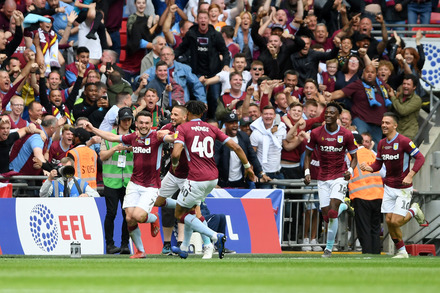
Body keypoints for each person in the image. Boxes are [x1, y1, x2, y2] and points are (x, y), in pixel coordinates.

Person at [170, 101, 255, 259]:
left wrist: (174, 165)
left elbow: (175, 154)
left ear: (187, 113)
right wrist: (247, 166)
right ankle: (185, 247)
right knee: (192, 210)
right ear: (202, 114)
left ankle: (215, 237)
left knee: (179, 213)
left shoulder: (183, 128)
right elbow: (236, 147)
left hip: (196, 178)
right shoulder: (212, 128)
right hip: (212, 179)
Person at [84, 111, 175, 259]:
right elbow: (112, 137)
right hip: (134, 183)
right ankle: (140, 251)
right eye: (141, 123)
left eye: (147, 123)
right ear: (137, 124)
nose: (144, 126)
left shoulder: (156, 136)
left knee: (138, 216)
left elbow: (171, 137)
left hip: (151, 185)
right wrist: (93, 129)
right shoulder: (133, 137)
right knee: (129, 218)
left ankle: (154, 219)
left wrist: (177, 133)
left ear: (150, 124)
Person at [360, 112, 426, 258]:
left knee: (396, 221)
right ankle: (402, 251)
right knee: (389, 221)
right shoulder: (382, 144)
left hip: (403, 188)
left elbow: (420, 158)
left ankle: (414, 210)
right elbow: (378, 164)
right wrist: (369, 167)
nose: (384, 125)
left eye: (387, 123)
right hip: (389, 188)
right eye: (383, 122)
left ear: (395, 125)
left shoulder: (404, 141)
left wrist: (410, 175)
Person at [304, 102, 358, 258]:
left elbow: (355, 156)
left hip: (340, 176)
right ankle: (344, 206)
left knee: (332, 212)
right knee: (327, 215)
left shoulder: (346, 134)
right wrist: (307, 171)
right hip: (322, 178)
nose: (328, 115)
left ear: (338, 116)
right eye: (326, 113)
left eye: (331, 113)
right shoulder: (315, 133)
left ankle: (328, 249)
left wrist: (349, 170)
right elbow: (307, 155)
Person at [174, 10, 230, 119]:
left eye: (205, 18)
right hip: (197, 72)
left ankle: (213, 121)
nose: (203, 20)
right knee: (197, 100)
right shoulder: (191, 33)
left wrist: (226, 64)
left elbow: (224, 51)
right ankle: (199, 121)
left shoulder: (215, 35)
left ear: (208, 20)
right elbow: (181, 48)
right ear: (197, 20)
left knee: (214, 98)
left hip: (214, 72)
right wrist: (171, 57)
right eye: (201, 18)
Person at [100, 107, 134, 255]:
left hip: (129, 181)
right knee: (111, 213)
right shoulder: (108, 136)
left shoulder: (135, 136)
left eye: (129, 119)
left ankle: (125, 244)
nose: (127, 122)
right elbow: (102, 156)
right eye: (124, 119)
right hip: (111, 182)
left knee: (128, 214)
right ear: (119, 120)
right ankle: (110, 244)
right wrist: (115, 149)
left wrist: (133, 150)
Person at [348, 133, 384, 254]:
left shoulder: (349, 155)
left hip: (361, 195)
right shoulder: (372, 153)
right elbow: (384, 172)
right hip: (378, 194)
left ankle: (368, 254)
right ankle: (376, 254)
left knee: (364, 229)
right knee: (375, 228)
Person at [215, 112, 269, 188]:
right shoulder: (220, 140)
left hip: (241, 181)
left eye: (236, 122)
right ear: (226, 125)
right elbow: (215, 161)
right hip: (224, 182)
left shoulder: (243, 136)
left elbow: (252, 156)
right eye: (231, 123)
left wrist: (262, 173)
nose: (234, 125)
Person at [250, 105, 287, 188]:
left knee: (281, 199)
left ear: (274, 116)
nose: (268, 116)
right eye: (266, 114)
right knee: (266, 200)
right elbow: (252, 155)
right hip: (263, 174)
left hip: (278, 172)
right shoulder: (256, 133)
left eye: (271, 114)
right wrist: (254, 173)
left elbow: (286, 146)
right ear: (261, 115)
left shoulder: (281, 128)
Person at [389, 75, 422, 141]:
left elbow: (403, 111)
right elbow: (390, 109)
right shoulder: (399, 96)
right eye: (404, 84)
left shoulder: (416, 99)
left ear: (414, 87)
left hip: (408, 134)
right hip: (396, 133)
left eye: (408, 84)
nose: (405, 86)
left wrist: (393, 97)